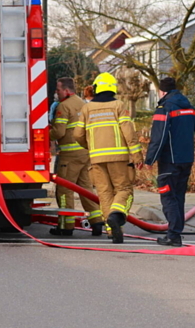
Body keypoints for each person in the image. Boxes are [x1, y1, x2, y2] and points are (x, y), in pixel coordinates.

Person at [72, 72, 143, 243]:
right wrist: (137, 155)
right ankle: (116, 216)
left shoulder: (87, 108)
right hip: (118, 157)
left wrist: (91, 147)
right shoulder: (118, 105)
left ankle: (111, 230)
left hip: (96, 158)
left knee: (104, 193)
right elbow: (128, 132)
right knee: (124, 189)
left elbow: (77, 134)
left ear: (97, 88)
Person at [144, 77, 195, 247]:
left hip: (170, 160)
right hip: (186, 158)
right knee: (178, 196)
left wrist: (150, 159)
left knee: (168, 196)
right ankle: (176, 232)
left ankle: (173, 235)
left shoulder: (164, 108)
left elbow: (159, 137)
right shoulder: (188, 105)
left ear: (162, 91)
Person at [49, 77, 103, 236]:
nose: (56, 93)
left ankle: (66, 226)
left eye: (58, 90)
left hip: (70, 155)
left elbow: (59, 132)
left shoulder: (64, 106)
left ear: (66, 90)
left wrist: (45, 134)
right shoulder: (82, 103)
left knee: (64, 190)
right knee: (85, 188)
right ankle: (97, 221)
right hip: (85, 153)